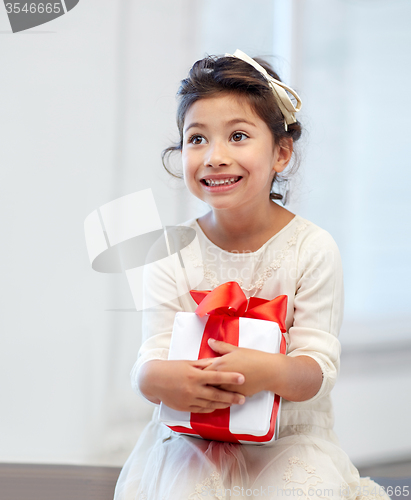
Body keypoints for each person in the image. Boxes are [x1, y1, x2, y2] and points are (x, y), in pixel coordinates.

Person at [114, 50, 391, 500]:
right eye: (197, 139)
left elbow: (317, 369)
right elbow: (150, 360)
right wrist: (160, 380)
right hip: (194, 438)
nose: (215, 156)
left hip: (289, 439)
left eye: (238, 136)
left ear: (281, 152)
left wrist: (267, 371)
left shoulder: (312, 249)